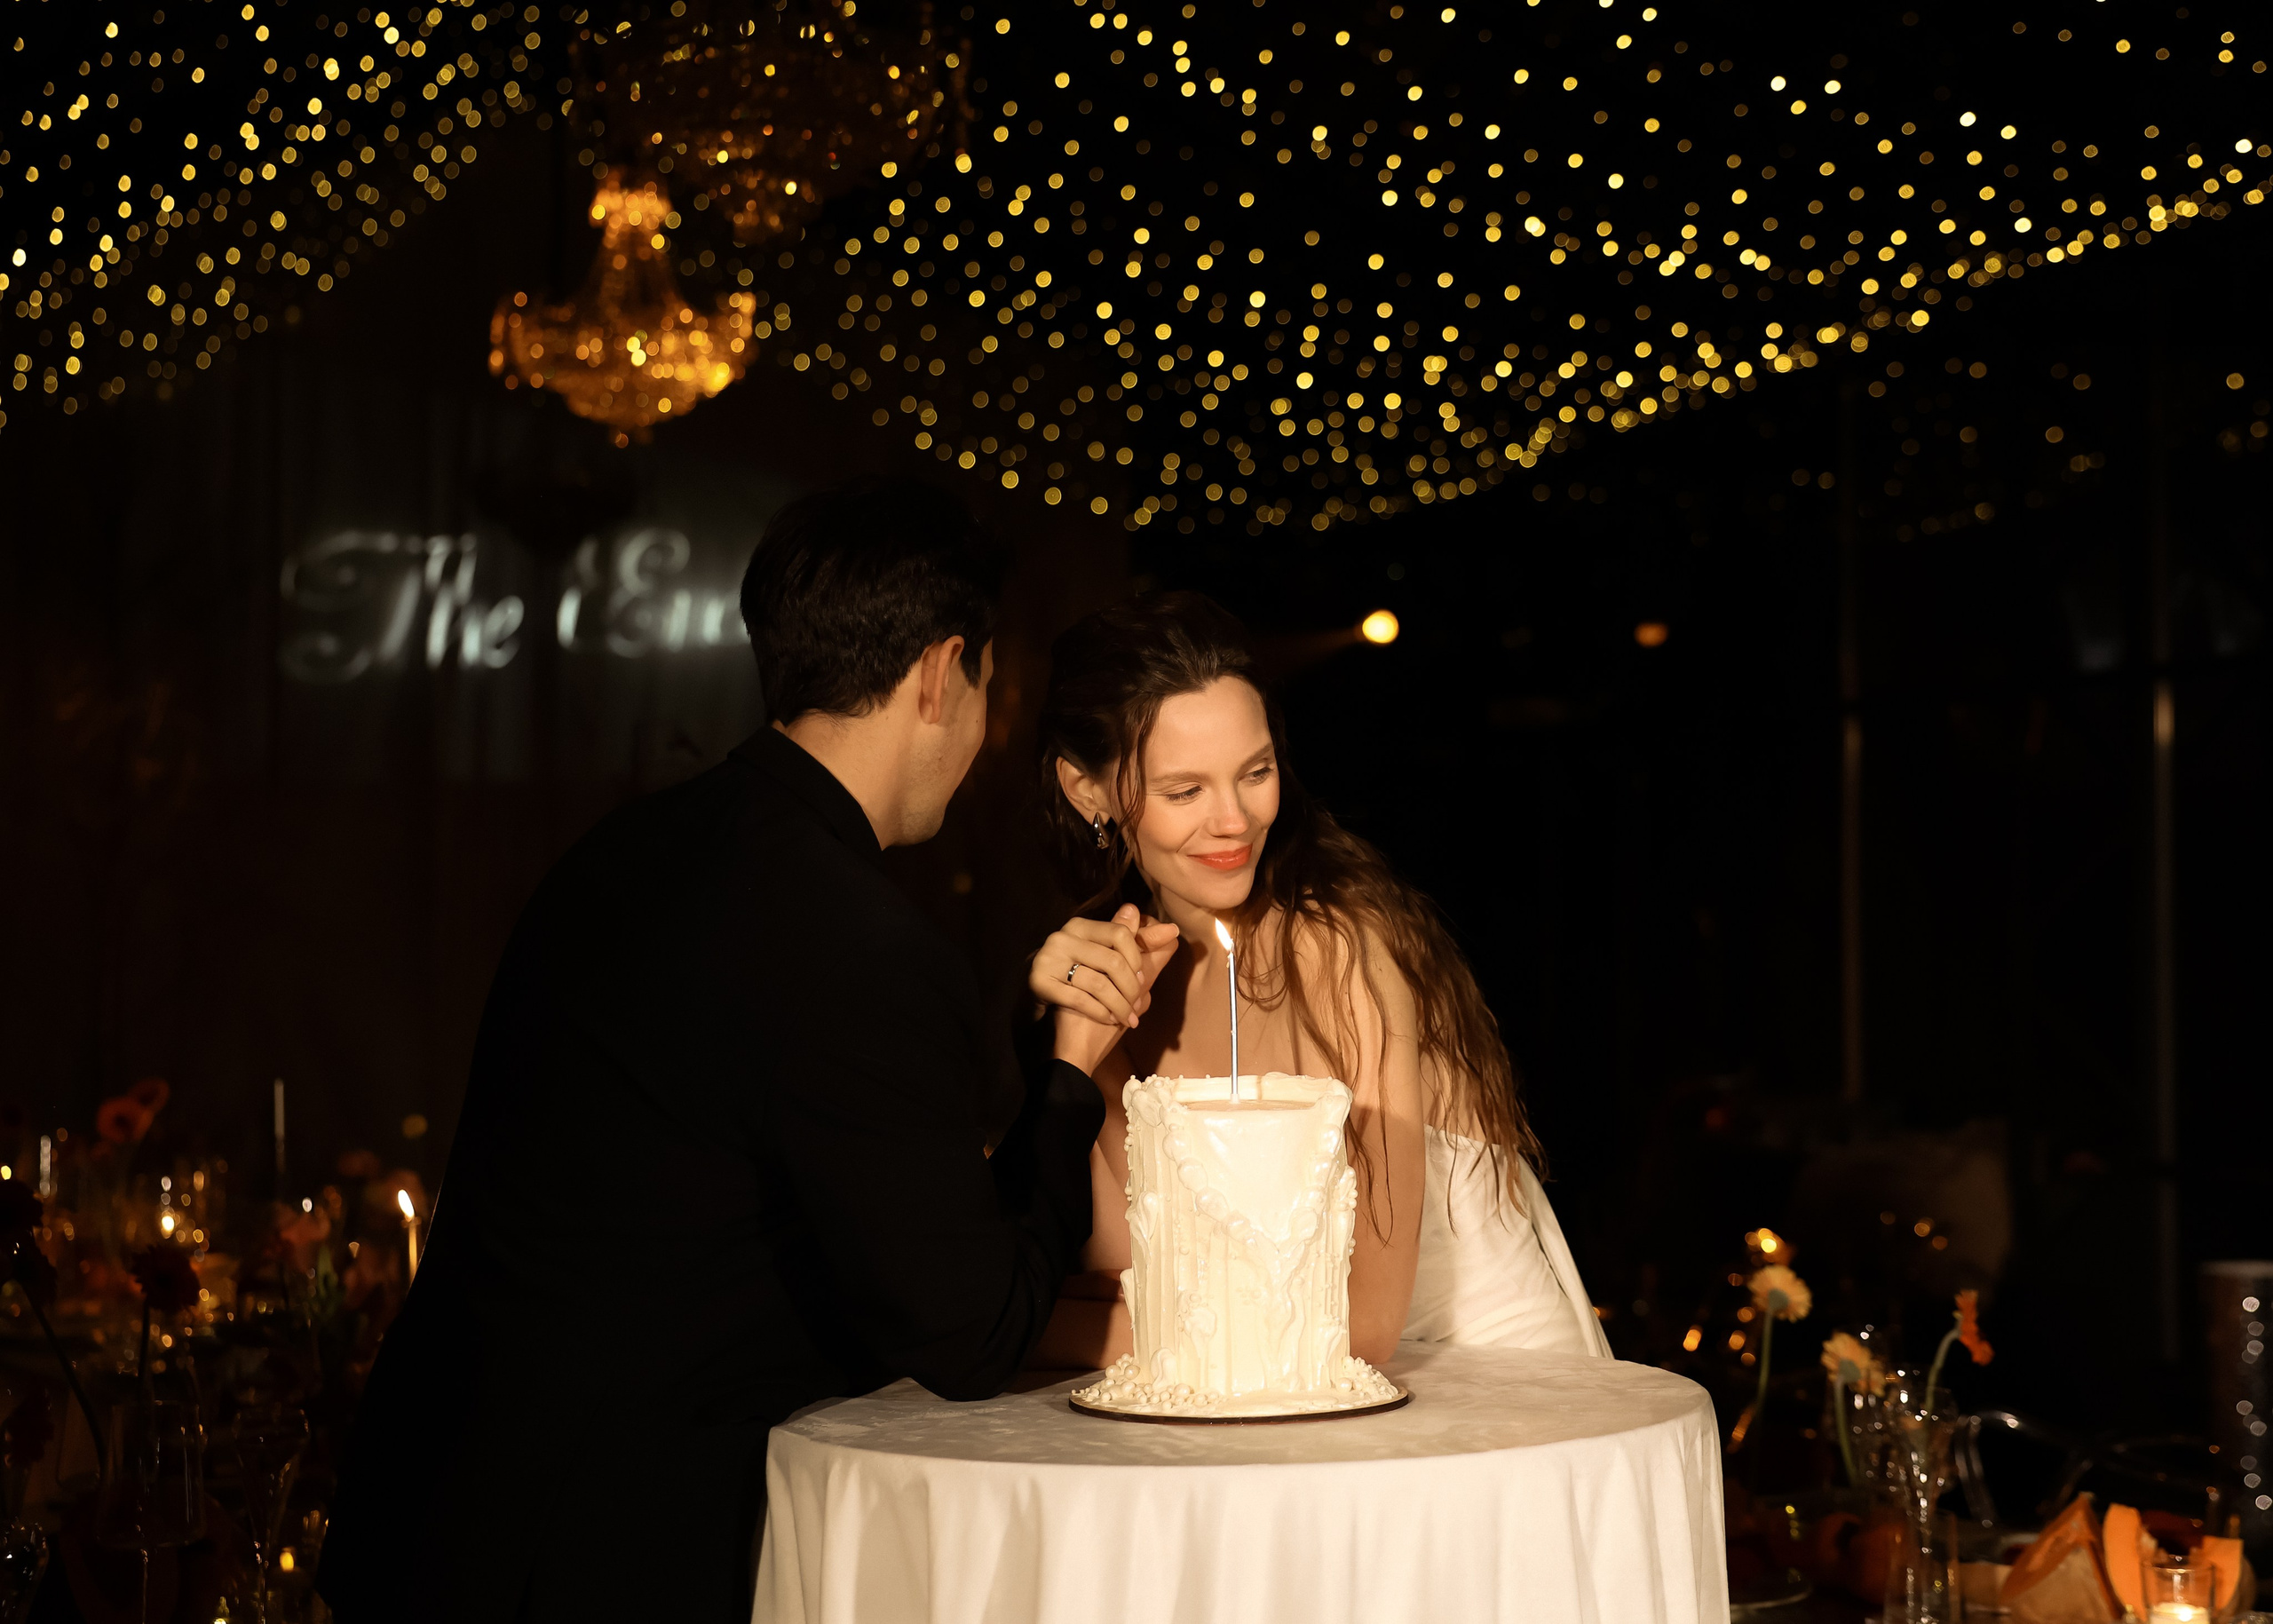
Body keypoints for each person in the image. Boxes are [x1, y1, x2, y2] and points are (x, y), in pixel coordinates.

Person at [320, 481, 1176, 1623]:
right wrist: (1068, 1076)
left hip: (427, 1503)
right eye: (985, 682)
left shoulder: (620, 852)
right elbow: (973, 1332)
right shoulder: (858, 941)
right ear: (940, 673)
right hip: (593, 1553)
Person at [1021, 590, 1610, 1373]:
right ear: (1086, 789)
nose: (1234, 819)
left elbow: (1357, 1329)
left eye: (1255, 772)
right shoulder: (1116, 977)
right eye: (1185, 790)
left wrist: (1015, 1328)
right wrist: (1076, 1042)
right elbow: (1151, 1273)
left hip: (1482, 1385)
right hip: (1278, 1393)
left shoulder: (1336, 950)